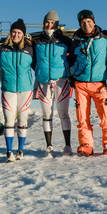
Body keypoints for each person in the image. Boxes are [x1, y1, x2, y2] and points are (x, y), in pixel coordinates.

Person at [69, 10, 107, 156]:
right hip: (81, 84)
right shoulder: (75, 40)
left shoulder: (106, 36)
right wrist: (72, 76)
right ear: (80, 24)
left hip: (99, 84)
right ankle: (86, 145)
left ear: (94, 22)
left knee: (105, 115)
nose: (86, 25)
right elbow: (70, 60)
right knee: (82, 117)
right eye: (83, 23)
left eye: (89, 22)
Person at [0, 19, 34, 162]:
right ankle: (9, 151)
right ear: (10, 33)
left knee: (22, 120)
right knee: (9, 121)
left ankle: (20, 150)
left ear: (23, 34)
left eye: (19, 32)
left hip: (25, 90)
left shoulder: (29, 49)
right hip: (8, 89)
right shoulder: (3, 48)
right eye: (14, 32)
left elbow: (39, 65)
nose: (16, 35)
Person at [33, 10, 73, 157]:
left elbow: (73, 57)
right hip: (44, 82)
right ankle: (49, 146)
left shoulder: (65, 41)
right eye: (47, 22)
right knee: (47, 114)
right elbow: (33, 60)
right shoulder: (36, 41)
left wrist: (68, 72)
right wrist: (39, 70)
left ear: (56, 24)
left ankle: (67, 146)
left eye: (52, 22)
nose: (49, 25)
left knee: (63, 114)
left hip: (61, 81)